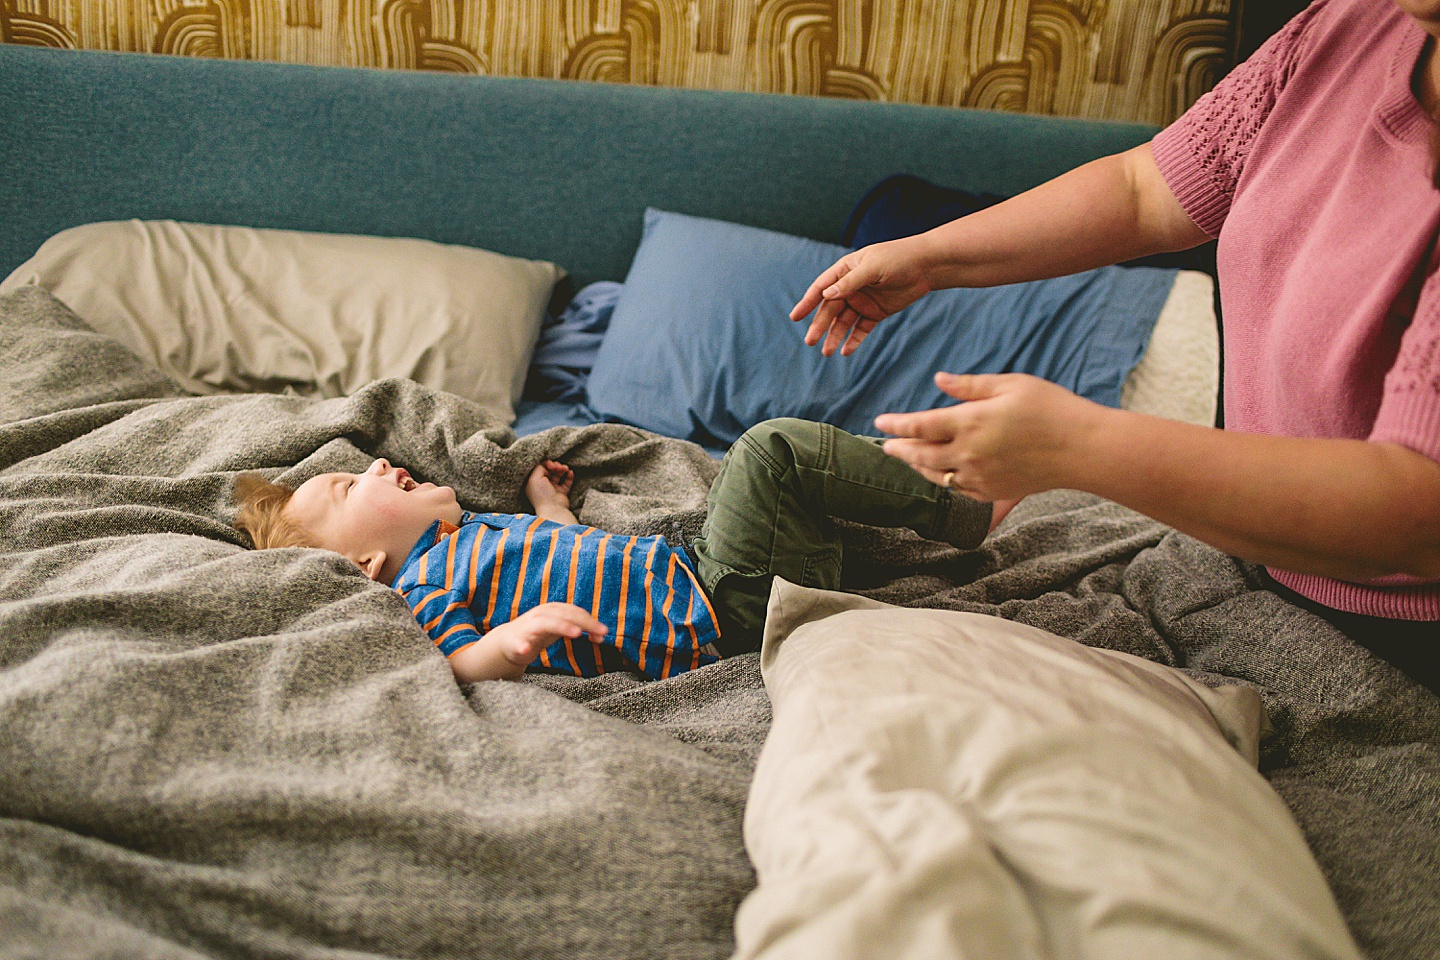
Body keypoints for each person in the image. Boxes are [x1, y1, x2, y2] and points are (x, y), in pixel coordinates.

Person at [790, 0, 1440, 689]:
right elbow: (1142, 191)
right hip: (1245, 562)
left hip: (1397, 646)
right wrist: (929, 258)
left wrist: (1076, 447)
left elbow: (1420, 509)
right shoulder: (1346, 26)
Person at [233, 419, 1001, 684]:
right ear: (369, 565)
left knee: (779, 474)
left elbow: (571, 551)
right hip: (720, 610)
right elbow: (459, 662)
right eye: (345, 489)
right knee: (767, 454)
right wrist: (508, 643)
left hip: (706, 572)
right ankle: (966, 507)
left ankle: (925, 480)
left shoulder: (475, 535)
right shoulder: (426, 583)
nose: (372, 465)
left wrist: (546, 504)